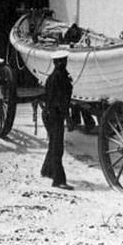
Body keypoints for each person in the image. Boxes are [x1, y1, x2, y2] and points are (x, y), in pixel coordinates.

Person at [41, 50, 74, 190]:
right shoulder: (58, 78)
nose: (62, 63)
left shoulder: (59, 76)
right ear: (55, 62)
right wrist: (68, 118)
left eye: (64, 61)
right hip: (54, 115)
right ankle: (58, 180)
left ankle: (47, 170)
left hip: (52, 114)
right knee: (57, 147)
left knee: (53, 143)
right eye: (60, 61)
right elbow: (59, 102)